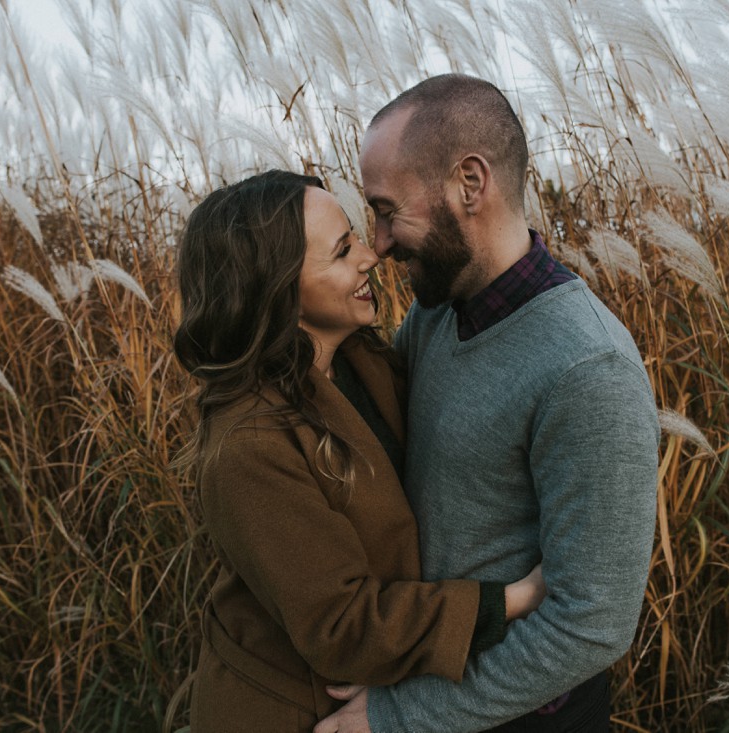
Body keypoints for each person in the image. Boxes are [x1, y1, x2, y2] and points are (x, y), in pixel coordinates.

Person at [315, 75, 660, 733]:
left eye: (387, 210)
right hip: (424, 671)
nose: (379, 242)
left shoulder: (589, 367)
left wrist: (403, 714)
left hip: (517, 716)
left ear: (471, 183)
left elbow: (592, 622)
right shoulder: (437, 313)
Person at [172, 170, 547, 732]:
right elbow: (342, 626)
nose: (370, 256)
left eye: (356, 237)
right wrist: (518, 597)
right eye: (342, 251)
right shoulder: (248, 444)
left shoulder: (360, 363)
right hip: (300, 711)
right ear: (279, 291)